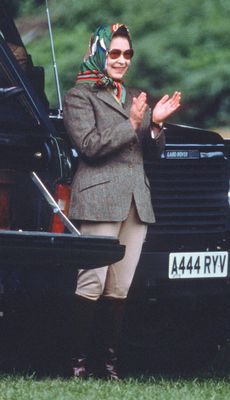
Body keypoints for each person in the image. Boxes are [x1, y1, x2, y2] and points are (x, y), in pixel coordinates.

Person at [63, 23, 181, 380]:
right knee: (92, 283)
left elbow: (148, 151)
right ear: (100, 52)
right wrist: (132, 123)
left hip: (135, 202)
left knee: (119, 287)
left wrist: (155, 126)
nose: (121, 60)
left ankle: (108, 367)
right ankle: (78, 366)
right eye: (114, 52)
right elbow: (89, 145)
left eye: (127, 53)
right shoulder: (78, 96)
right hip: (99, 197)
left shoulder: (132, 97)